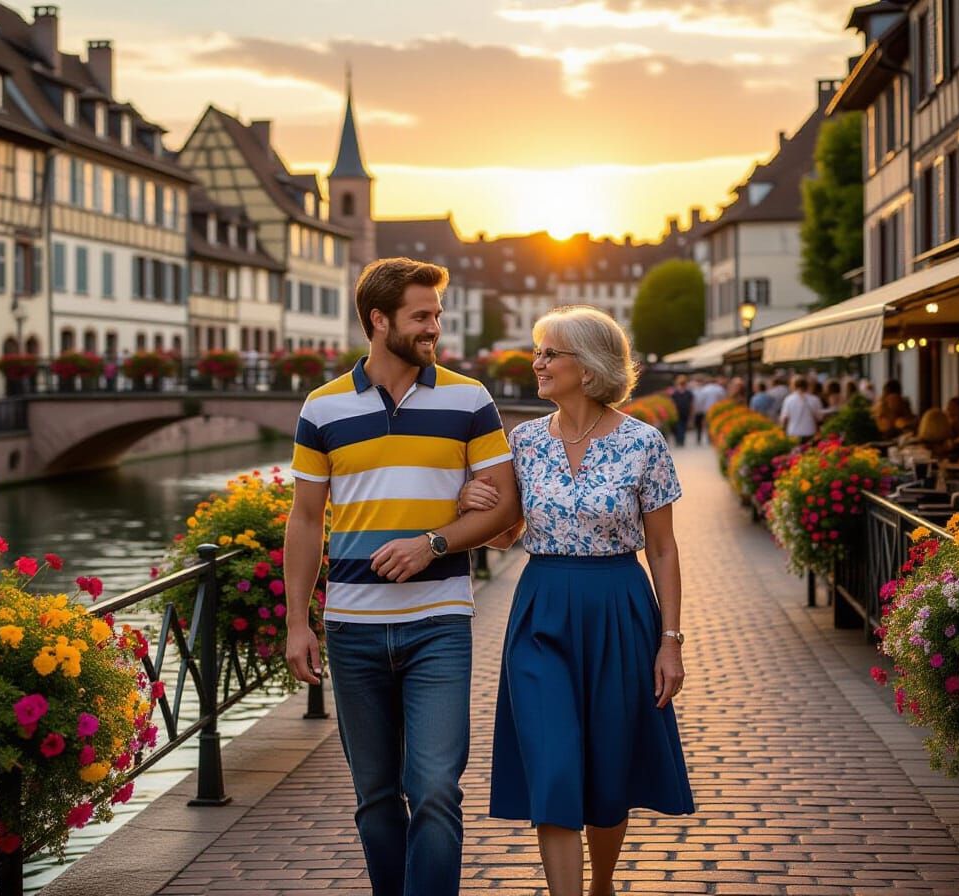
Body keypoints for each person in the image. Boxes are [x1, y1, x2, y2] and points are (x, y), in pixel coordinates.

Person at [283, 257, 520, 896]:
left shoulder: (470, 399)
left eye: (437, 316)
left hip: (439, 623)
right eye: (421, 316)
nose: (433, 328)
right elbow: (305, 520)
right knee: (376, 797)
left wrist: (433, 543)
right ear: (378, 320)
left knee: (438, 789)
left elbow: (505, 509)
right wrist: (296, 623)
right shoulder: (322, 408)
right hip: (352, 629)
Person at [460, 305, 693, 896]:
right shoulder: (524, 442)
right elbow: (508, 532)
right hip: (542, 607)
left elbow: (663, 551)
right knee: (553, 762)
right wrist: (471, 507)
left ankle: (601, 886)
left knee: (608, 764)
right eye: (537, 351)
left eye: (548, 353)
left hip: (620, 607)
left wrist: (671, 643)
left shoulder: (644, 443)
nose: (536, 362)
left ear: (587, 369)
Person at [779, 375, 823, 440]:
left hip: (793, 432)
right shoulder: (814, 399)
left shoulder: (788, 399)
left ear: (793, 386)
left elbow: (784, 418)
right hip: (810, 431)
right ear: (807, 386)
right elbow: (820, 418)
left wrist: (782, 430)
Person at [669, 375, 694, 447]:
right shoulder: (676, 393)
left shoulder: (687, 393)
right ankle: (680, 440)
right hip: (679, 413)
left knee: (681, 427)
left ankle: (680, 441)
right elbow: (672, 403)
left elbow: (691, 404)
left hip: (683, 412)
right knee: (680, 427)